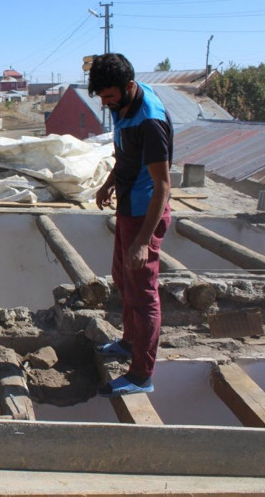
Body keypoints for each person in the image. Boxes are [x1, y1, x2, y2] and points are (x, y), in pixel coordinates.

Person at [90, 53, 173, 398]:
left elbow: (163, 186)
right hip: (127, 207)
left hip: (145, 214)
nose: (105, 104)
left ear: (127, 87)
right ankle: (127, 342)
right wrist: (110, 181)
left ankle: (141, 375)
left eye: (109, 97)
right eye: (101, 98)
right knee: (122, 278)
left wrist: (143, 240)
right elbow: (126, 156)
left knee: (143, 296)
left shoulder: (149, 121)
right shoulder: (121, 104)